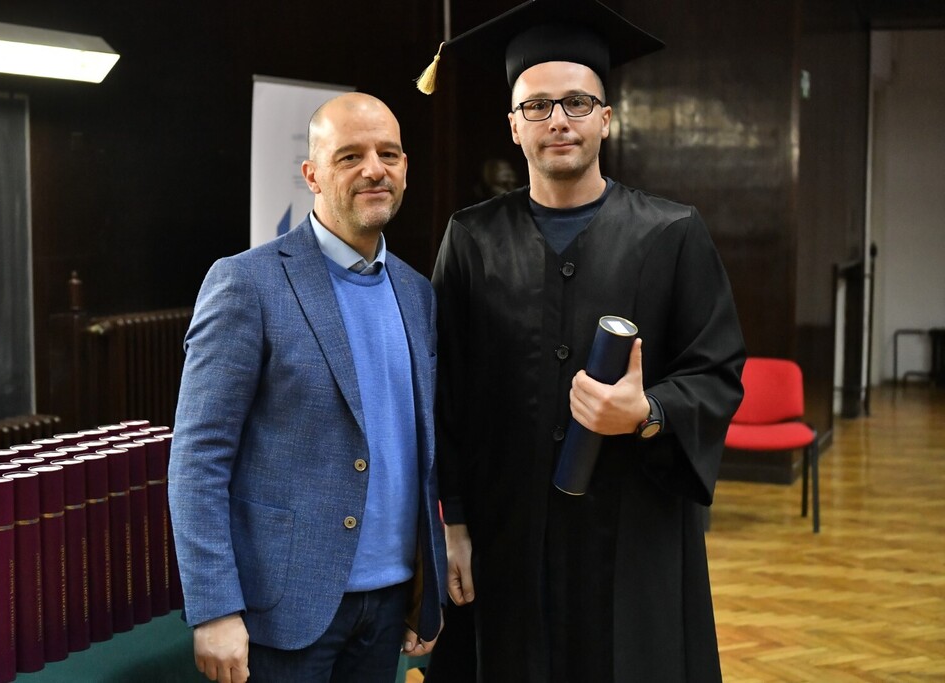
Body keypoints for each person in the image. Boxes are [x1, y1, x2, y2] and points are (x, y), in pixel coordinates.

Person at [419, 0, 746, 681]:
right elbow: (444, 393)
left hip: (633, 532)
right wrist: (454, 524)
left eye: (576, 102)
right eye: (537, 106)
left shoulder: (672, 234)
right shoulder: (472, 240)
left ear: (606, 117)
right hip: (505, 533)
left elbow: (716, 372)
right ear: (514, 125)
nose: (558, 119)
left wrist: (647, 413)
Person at [168, 92, 447, 683]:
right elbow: (198, 458)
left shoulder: (417, 292)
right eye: (350, 156)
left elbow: (417, 451)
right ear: (312, 174)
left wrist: (428, 584)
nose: (374, 169)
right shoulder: (247, 283)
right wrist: (214, 608)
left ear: (405, 168)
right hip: (283, 607)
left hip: (391, 601)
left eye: (388, 154)